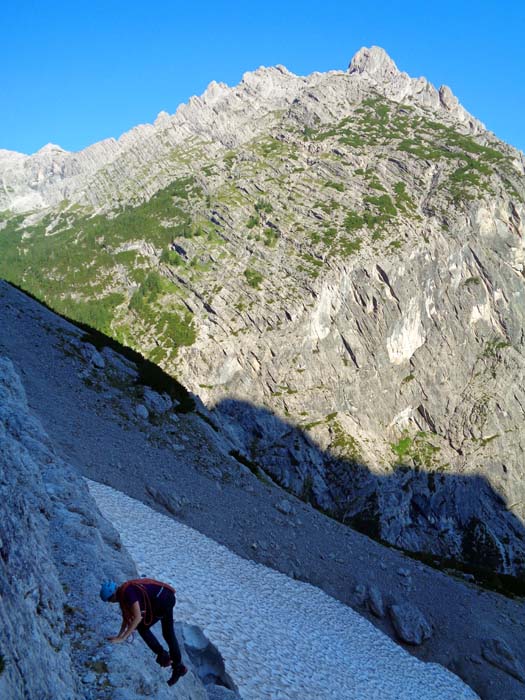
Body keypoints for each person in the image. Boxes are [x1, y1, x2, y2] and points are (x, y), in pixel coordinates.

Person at [100, 577, 187, 686]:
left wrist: (123, 638)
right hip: (166, 597)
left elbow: (137, 617)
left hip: (163, 601)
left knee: (144, 628)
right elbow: (126, 619)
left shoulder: (127, 593)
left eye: (109, 600)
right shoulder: (124, 592)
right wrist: (118, 636)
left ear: (112, 596)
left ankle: (168, 660)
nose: (110, 602)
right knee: (168, 633)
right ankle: (177, 666)